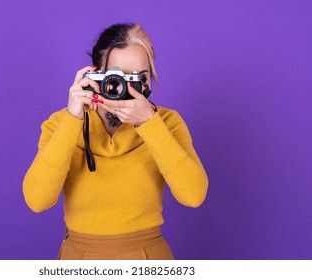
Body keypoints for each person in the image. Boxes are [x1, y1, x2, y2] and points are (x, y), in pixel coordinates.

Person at [22, 23, 208, 260]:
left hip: (148, 258)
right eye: (117, 77)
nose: (128, 88)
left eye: (140, 77)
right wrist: (72, 119)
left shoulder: (166, 122)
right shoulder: (61, 122)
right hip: (79, 258)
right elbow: (37, 200)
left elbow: (193, 195)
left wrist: (149, 124)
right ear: (95, 74)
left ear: (152, 77)